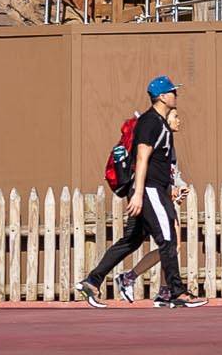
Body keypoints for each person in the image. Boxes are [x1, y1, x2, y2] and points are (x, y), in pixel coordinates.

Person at [78, 77, 202, 309]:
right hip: (149, 191)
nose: (176, 96)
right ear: (163, 96)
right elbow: (142, 158)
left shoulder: (160, 123)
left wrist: (170, 189)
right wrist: (137, 193)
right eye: (173, 92)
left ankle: (92, 281)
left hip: (154, 190)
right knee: (168, 239)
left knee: (131, 241)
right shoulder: (150, 122)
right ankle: (177, 292)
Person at [106, 101, 199, 305]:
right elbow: (151, 173)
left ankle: (164, 292)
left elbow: (172, 174)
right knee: (165, 243)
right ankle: (130, 278)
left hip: (161, 198)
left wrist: (178, 187)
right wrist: (164, 190)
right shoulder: (157, 138)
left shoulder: (168, 144)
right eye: (175, 116)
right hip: (150, 197)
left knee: (171, 245)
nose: (178, 120)